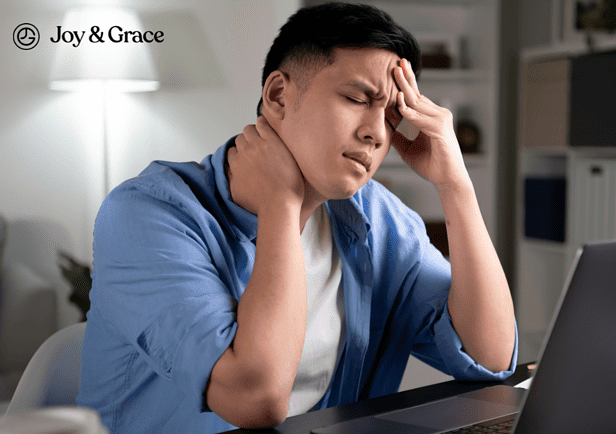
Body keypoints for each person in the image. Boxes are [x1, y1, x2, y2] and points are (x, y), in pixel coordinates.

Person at [77, 2, 518, 433]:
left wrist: (455, 186)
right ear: (278, 95)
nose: (378, 132)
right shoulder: (144, 217)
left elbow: (493, 356)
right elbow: (256, 399)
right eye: (356, 98)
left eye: (391, 115)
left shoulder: (378, 218)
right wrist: (281, 206)